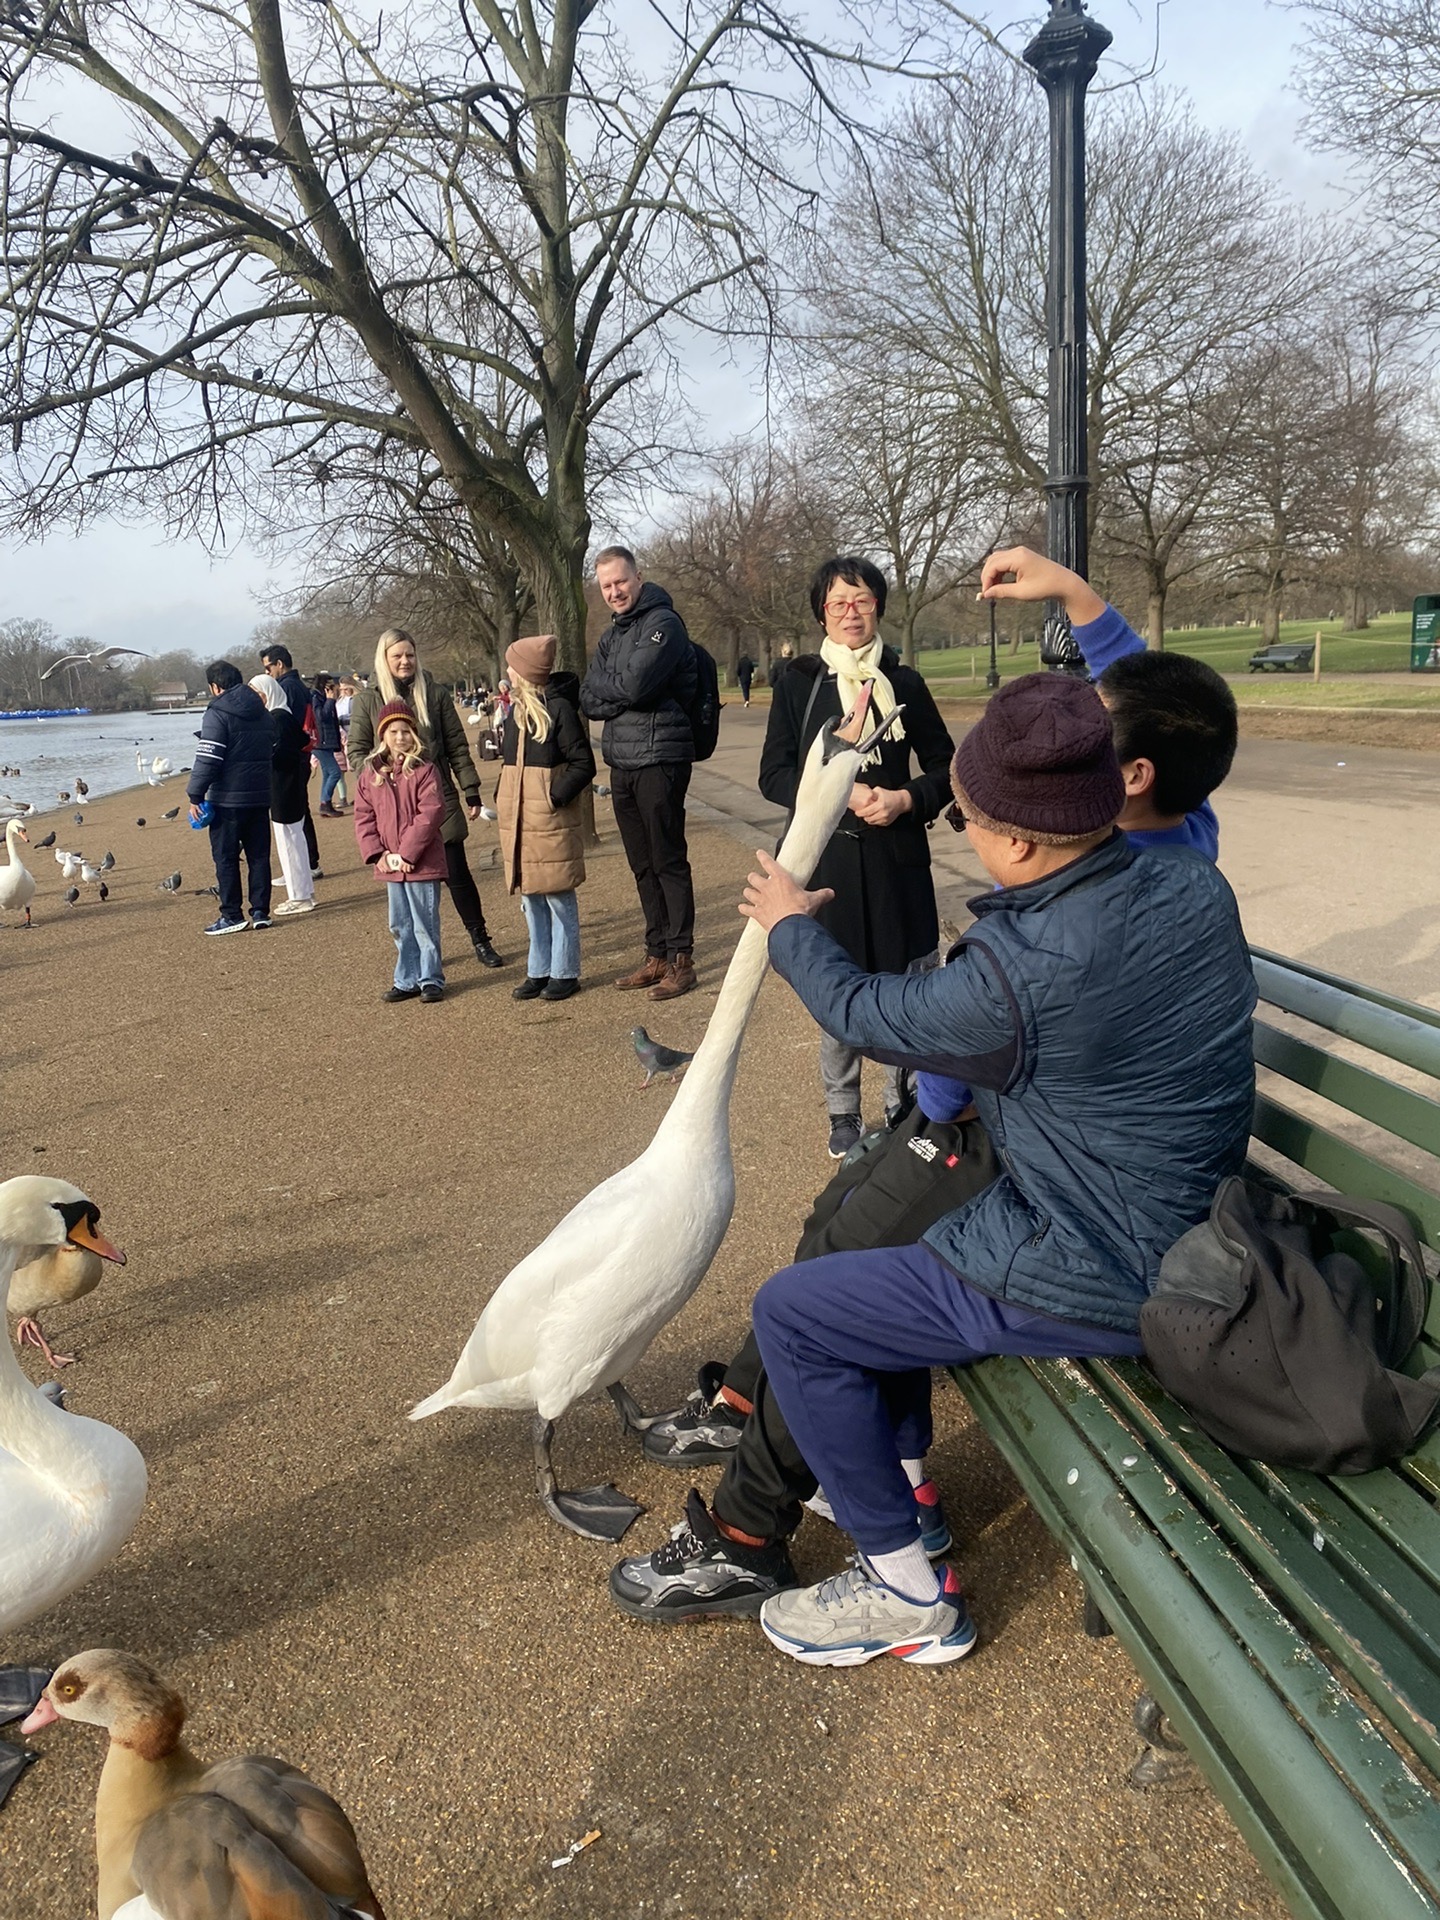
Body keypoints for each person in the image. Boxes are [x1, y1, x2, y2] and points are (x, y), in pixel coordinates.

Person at [616, 564, 1246, 1627]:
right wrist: (1078, 600)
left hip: (1095, 1247)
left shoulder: (1030, 963)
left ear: (1013, 839)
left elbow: (876, 1021)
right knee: (860, 1238)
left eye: (970, 813)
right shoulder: (1187, 867)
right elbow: (1144, 714)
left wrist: (786, 922)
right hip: (1157, 1205)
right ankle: (888, 1486)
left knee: (809, 1295)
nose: (963, 824)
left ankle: (889, 1581)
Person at [759, 555, 955, 1159]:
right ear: (823, 610)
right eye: (840, 603)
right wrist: (836, 795)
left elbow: (950, 768)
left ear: (878, 608)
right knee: (836, 985)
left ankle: (904, 1102)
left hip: (899, 862)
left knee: (907, 990)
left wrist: (905, 798)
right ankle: (843, 1111)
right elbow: (774, 774)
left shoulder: (908, 682)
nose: (851, 613)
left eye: (863, 601)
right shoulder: (798, 683)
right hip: (830, 864)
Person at [580, 544, 700, 1003]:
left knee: (668, 860)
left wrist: (622, 689)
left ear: (638, 577)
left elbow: (631, 684)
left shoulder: (664, 625)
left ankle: (681, 959)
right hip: (623, 762)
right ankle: (656, 954)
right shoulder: (613, 635)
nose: (614, 591)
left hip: (661, 757)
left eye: (620, 581)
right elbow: (590, 697)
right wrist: (622, 690)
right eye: (606, 585)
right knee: (641, 864)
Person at [346, 628, 504, 970]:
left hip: (436, 798)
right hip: (391, 805)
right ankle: (419, 957)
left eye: (410, 655)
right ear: (384, 660)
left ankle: (480, 939)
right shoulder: (368, 699)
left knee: (457, 874)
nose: (405, 662)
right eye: (397, 656)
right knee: (406, 889)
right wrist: (377, 771)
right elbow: (356, 750)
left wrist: (471, 789)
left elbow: (456, 744)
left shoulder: (433, 693)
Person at [496, 634, 597, 1003]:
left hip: (548, 818)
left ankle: (565, 971)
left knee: (557, 896)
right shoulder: (514, 712)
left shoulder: (559, 710)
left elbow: (583, 763)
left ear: (524, 672)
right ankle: (538, 968)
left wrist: (554, 794)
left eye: (511, 665)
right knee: (532, 898)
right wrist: (503, 796)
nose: (506, 671)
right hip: (521, 818)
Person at [353, 700, 448, 1003]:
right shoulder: (370, 774)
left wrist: (408, 853)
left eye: (405, 731)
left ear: (414, 734)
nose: (399, 737)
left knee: (424, 923)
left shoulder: (425, 770)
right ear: (383, 735)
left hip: (420, 862)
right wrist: (378, 853)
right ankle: (406, 978)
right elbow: (363, 816)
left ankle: (430, 978)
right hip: (389, 865)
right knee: (399, 924)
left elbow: (430, 813)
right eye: (393, 731)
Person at [186, 661, 273, 936]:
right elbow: (274, 741)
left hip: (227, 798)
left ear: (214, 686)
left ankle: (231, 915)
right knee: (259, 856)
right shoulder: (262, 710)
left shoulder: (217, 712)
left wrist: (195, 794)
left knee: (225, 857)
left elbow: (208, 759)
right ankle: (260, 911)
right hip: (260, 796)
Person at [248, 674, 316, 917]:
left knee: (289, 841)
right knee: (295, 839)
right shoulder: (283, 717)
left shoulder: (278, 719)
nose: (255, 699)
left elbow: (281, 755)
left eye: (258, 693)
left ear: (268, 693)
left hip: (283, 786)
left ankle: (299, 896)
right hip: (289, 785)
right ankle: (304, 891)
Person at [259, 643, 321, 876]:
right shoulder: (298, 686)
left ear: (279, 664)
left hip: (294, 757)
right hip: (303, 754)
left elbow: (288, 729)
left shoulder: (286, 688)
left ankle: (305, 865)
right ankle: (306, 864)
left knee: (294, 814)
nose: (267, 673)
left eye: (268, 667)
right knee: (298, 811)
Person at [311, 674, 347, 816]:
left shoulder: (320, 698)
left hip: (325, 741)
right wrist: (330, 700)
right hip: (320, 742)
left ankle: (325, 803)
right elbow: (321, 717)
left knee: (327, 773)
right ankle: (325, 803)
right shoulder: (316, 698)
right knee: (335, 772)